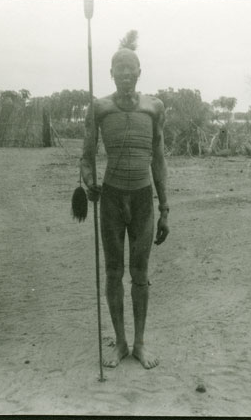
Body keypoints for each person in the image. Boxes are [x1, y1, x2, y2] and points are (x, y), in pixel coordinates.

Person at [80, 47, 169, 369]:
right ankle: (119, 343)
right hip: (112, 199)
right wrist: (90, 183)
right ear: (111, 73)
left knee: (140, 274)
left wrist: (166, 209)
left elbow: (158, 158)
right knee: (114, 272)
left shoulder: (154, 107)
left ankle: (140, 344)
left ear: (140, 72)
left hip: (144, 199)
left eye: (131, 68)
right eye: (120, 68)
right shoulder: (100, 108)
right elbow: (87, 156)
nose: (126, 74)